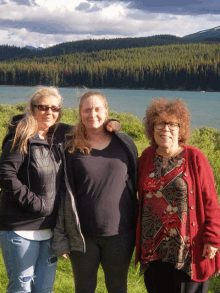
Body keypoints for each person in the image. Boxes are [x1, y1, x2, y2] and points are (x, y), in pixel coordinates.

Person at [0, 86, 118, 293]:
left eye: (54, 109)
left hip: (49, 229)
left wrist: (110, 123)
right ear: (32, 108)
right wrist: (37, 204)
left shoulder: (59, 134)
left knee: (44, 288)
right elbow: (6, 175)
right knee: (21, 286)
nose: (49, 112)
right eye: (43, 107)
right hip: (20, 227)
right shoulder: (20, 136)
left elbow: (90, 124)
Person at [52, 90, 138, 293]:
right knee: (84, 288)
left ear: (106, 111)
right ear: (80, 113)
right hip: (82, 235)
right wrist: (62, 235)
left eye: (98, 109)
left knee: (118, 287)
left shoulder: (124, 142)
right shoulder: (69, 145)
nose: (93, 114)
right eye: (87, 110)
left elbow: (135, 181)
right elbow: (63, 193)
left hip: (121, 233)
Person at [135, 97, 220, 293]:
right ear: (151, 128)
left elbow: (211, 202)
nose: (166, 129)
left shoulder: (195, 157)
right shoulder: (146, 157)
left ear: (181, 129)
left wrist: (213, 238)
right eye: (160, 124)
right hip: (153, 250)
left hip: (187, 252)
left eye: (172, 124)